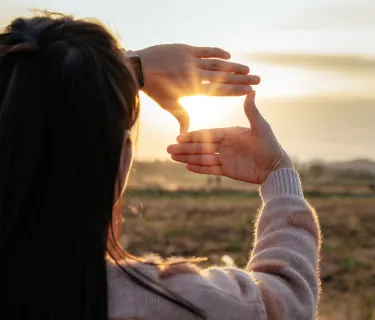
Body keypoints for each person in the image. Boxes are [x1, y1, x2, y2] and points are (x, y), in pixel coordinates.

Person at [0, 12, 321, 320]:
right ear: (120, 156)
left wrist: (127, 69)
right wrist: (278, 173)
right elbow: (287, 301)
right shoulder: (159, 303)